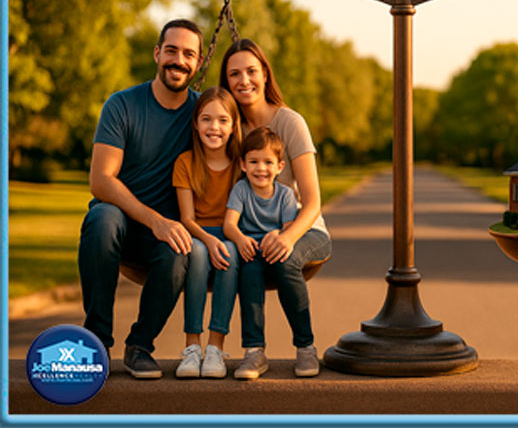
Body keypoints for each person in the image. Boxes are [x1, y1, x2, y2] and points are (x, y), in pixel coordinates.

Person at [78, 19, 203, 379]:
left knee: (182, 245)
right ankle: (97, 342)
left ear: (197, 63)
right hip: (120, 225)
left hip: (164, 238)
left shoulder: (201, 114)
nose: (179, 60)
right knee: (102, 218)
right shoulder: (122, 105)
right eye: (172, 50)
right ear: (157, 53)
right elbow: (101, 180)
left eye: (188, 54)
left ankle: (140, 346)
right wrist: (155, 220)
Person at [219, 38, 331, 378]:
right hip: (254, 234)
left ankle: (306, 347)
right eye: (234, 74)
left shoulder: (291, 123)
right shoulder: (228, 126)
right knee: (248, 264)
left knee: (286, 258)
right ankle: (254, 352)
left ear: (265, 74)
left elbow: (311, 202)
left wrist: (286, 237)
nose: (244, 80)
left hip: (304, 227)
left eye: (252, 71)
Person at [224, 127, 330, 379]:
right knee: (249, 274)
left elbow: (287, 228)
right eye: (254, 162)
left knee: (285, 263)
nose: (261, 168)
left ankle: (305, 346)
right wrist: (239, 238)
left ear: (280, 166)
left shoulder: (284, 194)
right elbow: (229, 223)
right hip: (252, 249)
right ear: (243, 164)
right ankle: (254, 351)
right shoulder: (241, 190)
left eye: (268, 162)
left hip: (277, 245)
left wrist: (278, 236)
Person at [172, 87, 242, 379]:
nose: (214, 127)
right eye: (206, 119)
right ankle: (192, 347)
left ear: (233, 125)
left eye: (223, 120)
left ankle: (215, 347)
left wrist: (224, 240)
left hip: (229, 233)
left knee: (231, 251)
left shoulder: (241, 165)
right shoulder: (186, 163)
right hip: (198, 232)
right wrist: (209, 239)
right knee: (198, 253)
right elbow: (186, 218)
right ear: (196, 124)